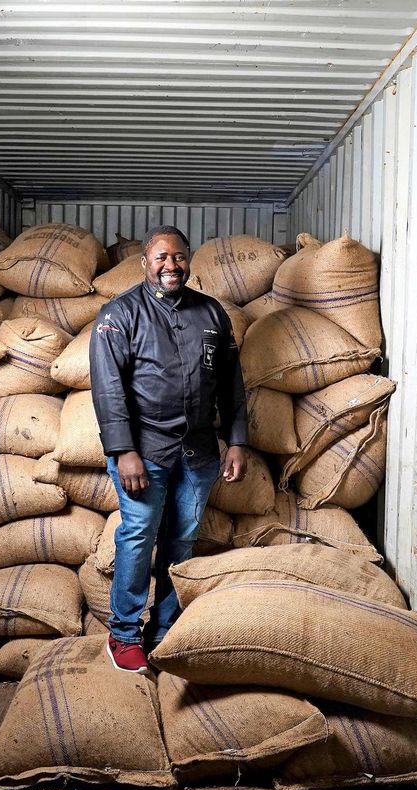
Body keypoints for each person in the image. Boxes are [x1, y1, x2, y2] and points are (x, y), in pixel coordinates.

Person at [89, 225, 249, 673]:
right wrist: (124, 451)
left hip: (198, 452)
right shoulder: (119, 316)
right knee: (139, 537)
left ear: (189, 261)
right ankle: (123, 635)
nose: (170, 265)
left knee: (181, 540)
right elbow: (108, 390)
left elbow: (230, 383)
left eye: (177, 257)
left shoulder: (212, 315)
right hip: (145, 451)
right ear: (144, 263)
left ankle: (162, 630)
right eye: (161, 258)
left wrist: (236, 441)